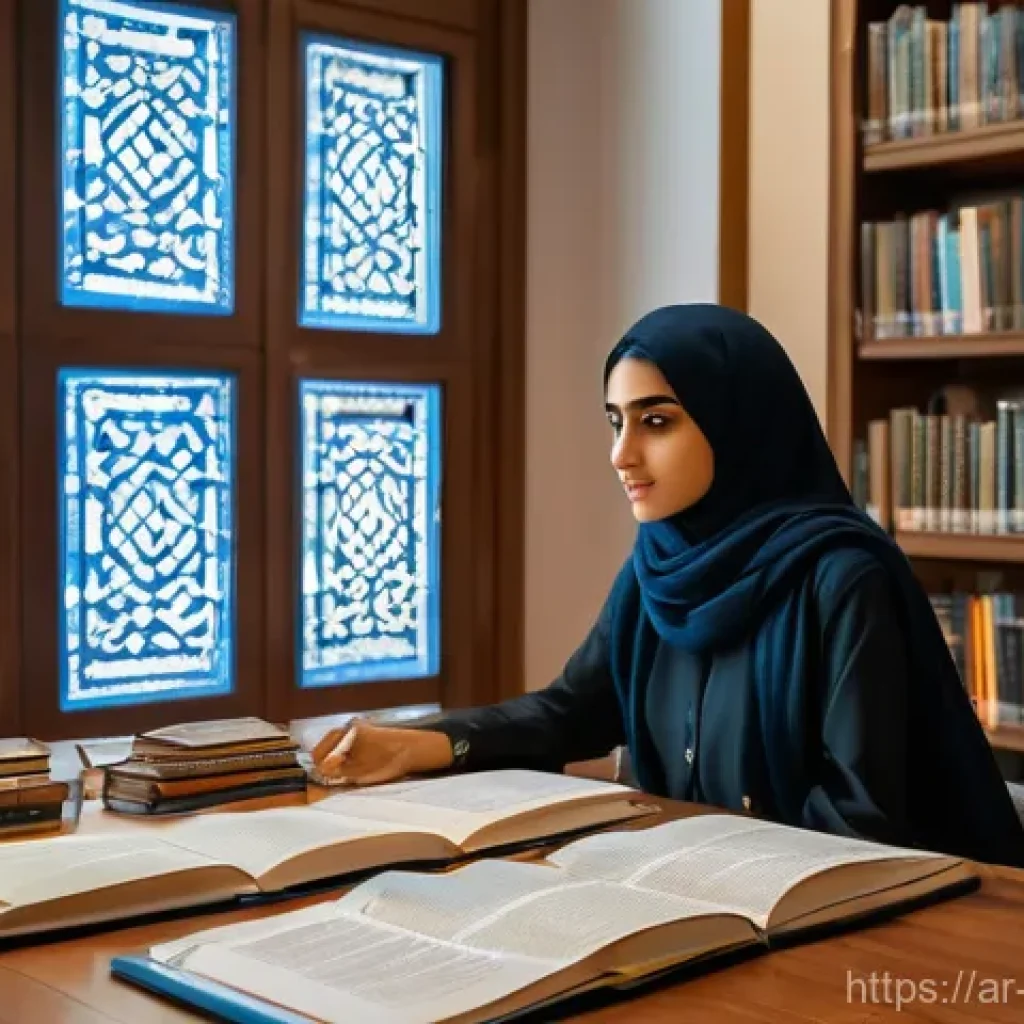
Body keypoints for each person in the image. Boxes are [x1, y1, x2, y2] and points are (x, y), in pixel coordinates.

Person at [312, 303, 1024, 868]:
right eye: (616, 422)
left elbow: (862, 819)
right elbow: (569, 712)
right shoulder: (659, 564)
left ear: (739, 424)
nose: (622, 454)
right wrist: (418, 744)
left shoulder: (843, 577)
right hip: (691, 901)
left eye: (656, 422)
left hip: (859, 934)